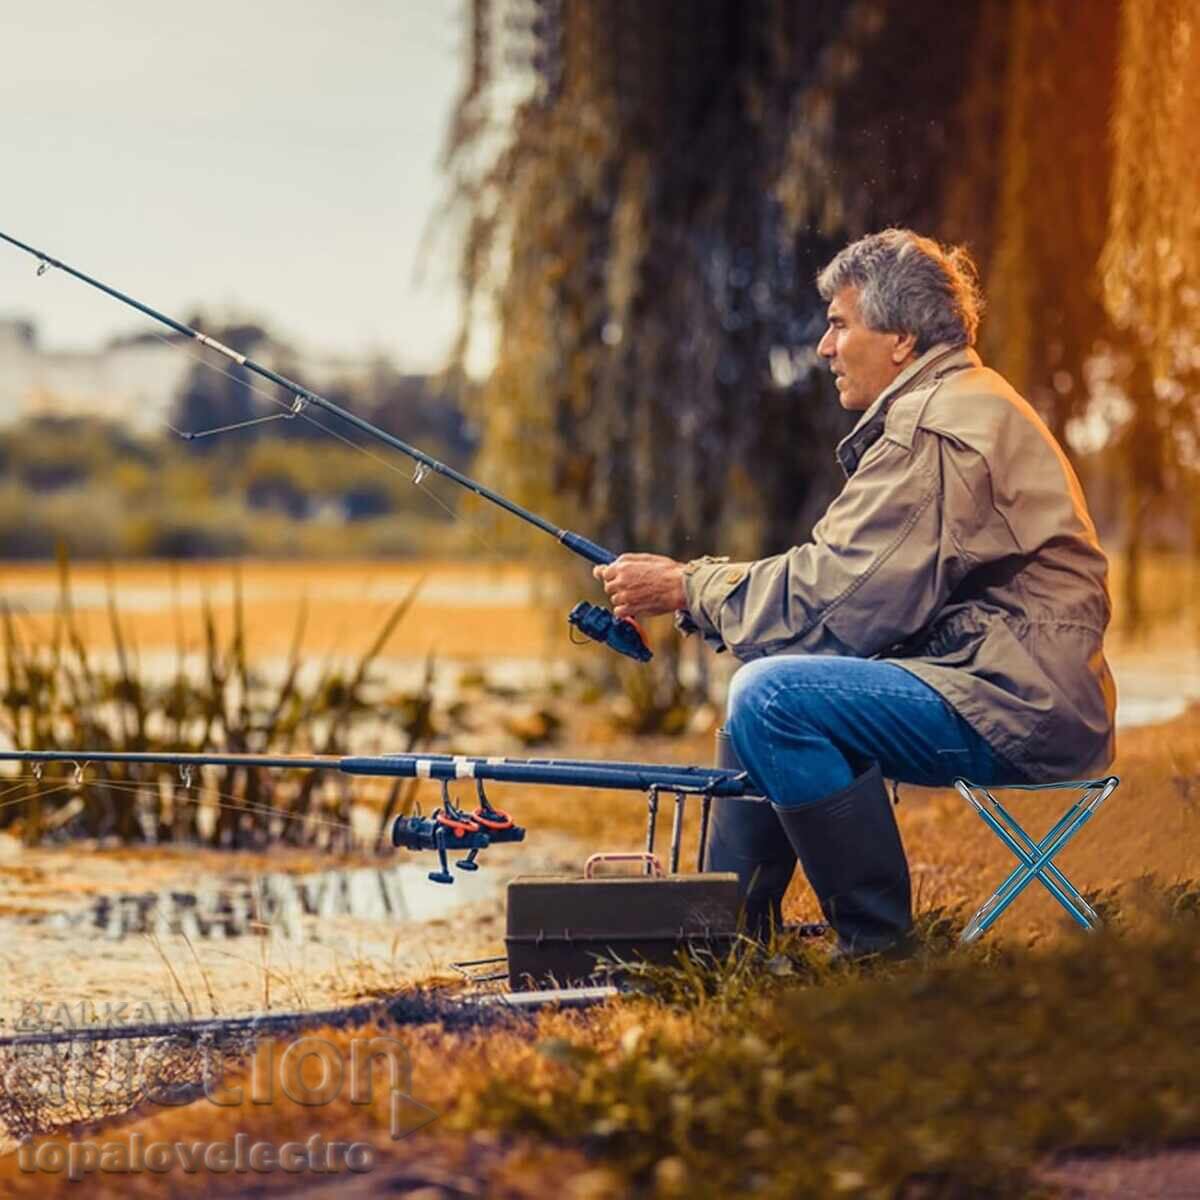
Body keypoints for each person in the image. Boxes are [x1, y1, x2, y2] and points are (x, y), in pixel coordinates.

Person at [593, 228, 1116, 956]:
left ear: (901, 338)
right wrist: (703, 595)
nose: (823, 347)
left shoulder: (933, 430)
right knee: (766, 691)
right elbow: (849, 600)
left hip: (1015, 708)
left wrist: (689, 587)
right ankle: (720, 940)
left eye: (840, 324)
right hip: (1016, 692)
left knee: (771, 697)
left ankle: (877, 947)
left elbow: (836, 598)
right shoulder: (958, 403)